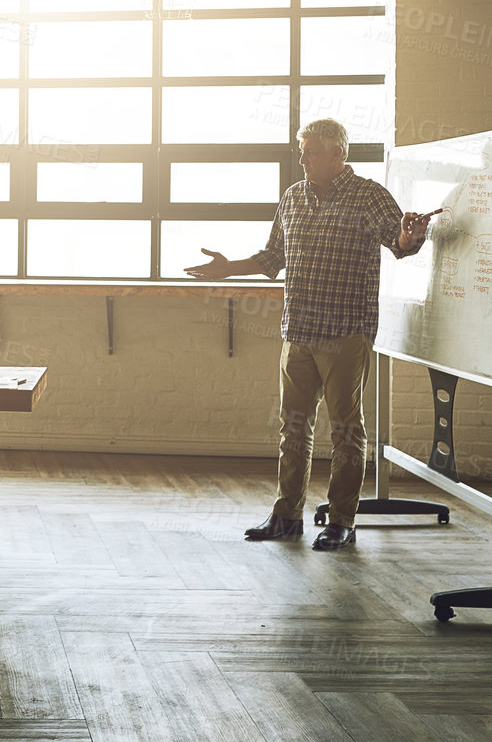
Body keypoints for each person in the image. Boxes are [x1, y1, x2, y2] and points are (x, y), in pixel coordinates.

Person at [187, 118, 436, 551]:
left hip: (345, 334)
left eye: (311, 151)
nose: (302, 159)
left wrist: (411, 234)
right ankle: (286, 515)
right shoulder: (294, 197)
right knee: (293, 428)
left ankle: (342, 520)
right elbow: (272, 257)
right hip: (298, 331)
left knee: (345, 431)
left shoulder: (368, 195)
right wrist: (229, 268)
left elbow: (400, 243)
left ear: (339, 154)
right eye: (301, 151)